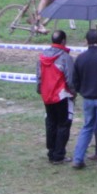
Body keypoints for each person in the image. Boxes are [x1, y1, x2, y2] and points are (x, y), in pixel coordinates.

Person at [70, 29, 97, 168]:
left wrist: (81, 91)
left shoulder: (80, 58)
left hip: (87, 98)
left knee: (87, 127)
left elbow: (75, 80)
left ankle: (78, 158)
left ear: (86, 41)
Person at [38, 30, 74, 163]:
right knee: (63, 124)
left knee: (50, 123)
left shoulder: (42, 57)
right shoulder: (65, 57)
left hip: (47, 96)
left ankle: (51, 152)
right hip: (61, 96)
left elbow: (39, 77)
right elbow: (70, 78)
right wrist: (73, 92)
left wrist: (40, 91)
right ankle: (59, 155)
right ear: (63, 41)